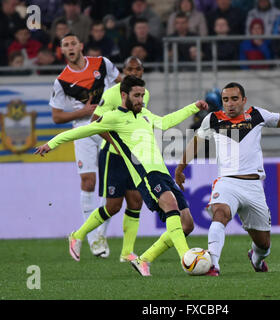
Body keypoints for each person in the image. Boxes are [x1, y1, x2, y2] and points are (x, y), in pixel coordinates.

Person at [35, 75, 209, 277]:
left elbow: (164, 122)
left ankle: (145, 259)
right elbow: (81, 131)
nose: (140, 100)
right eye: (136, 95)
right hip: (145, 174)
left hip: (162, 172)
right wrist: (51, 144)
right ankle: (186, 259)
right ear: (124, 95)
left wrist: (194, 107)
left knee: (187, 224)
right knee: (169, 206)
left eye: (143, 95)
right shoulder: (113, 118)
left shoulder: (144, 113)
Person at [175, 82, 280, 276]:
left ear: (244, 100)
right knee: (220, 213)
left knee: (263, 243)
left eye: (234, 99)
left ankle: (256, 257)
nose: (230, 103)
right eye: (225, 100)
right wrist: (180, 168)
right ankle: (213, 265)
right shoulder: (213, 119)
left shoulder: (257, 115)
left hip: (253, 185)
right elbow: (196, 143)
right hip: (227, 182)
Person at [49, 32, 122, 258]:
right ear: (63, 51)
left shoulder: (102, 63)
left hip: (108, 126)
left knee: (110, 183)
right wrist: (82, 111)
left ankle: (101, 234)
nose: (70, 47)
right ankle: (91, 239)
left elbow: (123, 84)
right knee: (88, 181)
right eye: (65, 45)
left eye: (73, 43)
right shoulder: (61, 80)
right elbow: (57, 116)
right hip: (83, 130)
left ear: (81, 45)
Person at [91, 56, 150, 262]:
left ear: (142, 72)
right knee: (113, 205)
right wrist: (116, 144)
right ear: (123, 72)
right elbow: (94, 121)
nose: (134, 72)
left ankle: (127, 253)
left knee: (136, 201)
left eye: (138, 69)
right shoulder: (112, 94)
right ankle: (91, 236)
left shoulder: (144, 94)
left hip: (133, 156)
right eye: (130, 69)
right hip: (113, 155)